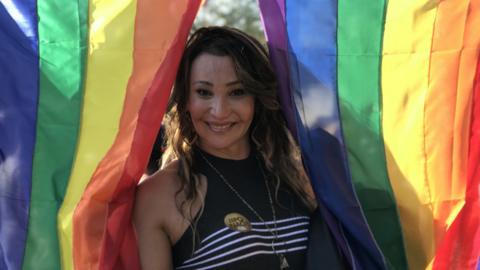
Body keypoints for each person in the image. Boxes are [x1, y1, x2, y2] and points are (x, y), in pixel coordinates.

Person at [134, 26, 333, 270]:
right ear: (186, 99)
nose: (219, 111)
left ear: (256, 98)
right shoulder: (156, 197)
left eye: (237, 92)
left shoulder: (296, 174)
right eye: (204, 92)